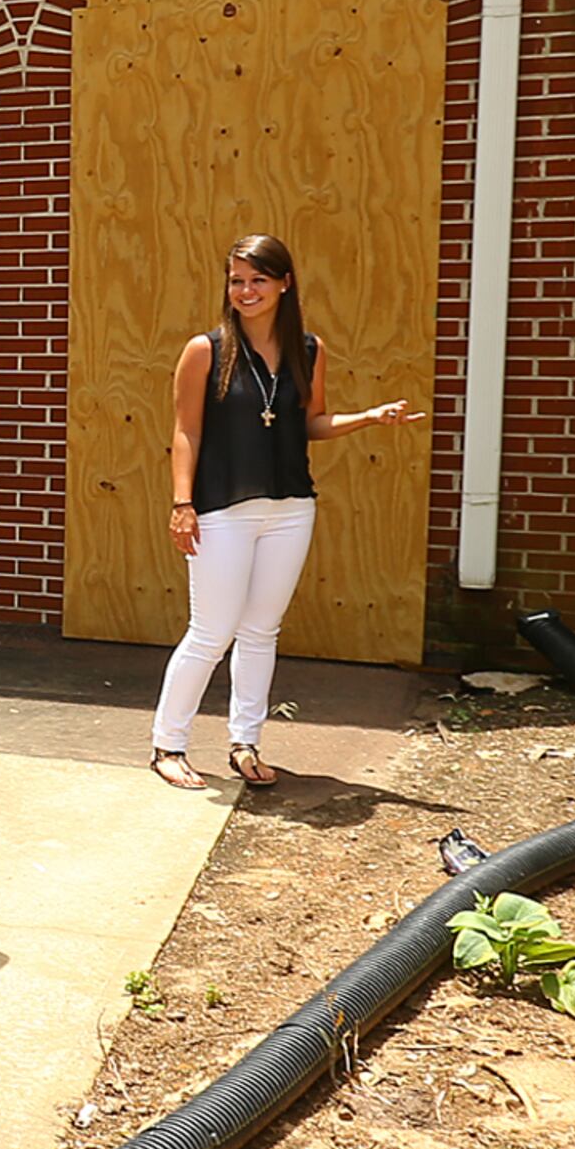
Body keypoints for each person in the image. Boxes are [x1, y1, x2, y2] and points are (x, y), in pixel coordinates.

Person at [150, 233, 413, 792]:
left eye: (258, 280)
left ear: (284, 284)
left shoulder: (309, 350)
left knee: (261, 630)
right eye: (237, 280)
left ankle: (245, 742)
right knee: (211, 631)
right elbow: (185, 431)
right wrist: (182, 503)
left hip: (291, 507)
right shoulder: (206, 350)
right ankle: (168, 747)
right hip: (221, 507)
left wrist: (368, 417)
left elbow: (311, 423)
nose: (246, 291)